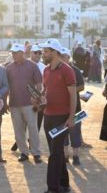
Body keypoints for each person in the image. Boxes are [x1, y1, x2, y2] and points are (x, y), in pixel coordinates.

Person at [36, 39, 76, 193]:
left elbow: (73, 96)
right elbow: (45, 90)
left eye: (46, 51)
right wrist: (39, 98)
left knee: (54, 153)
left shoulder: (67, 70)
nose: (43, 54)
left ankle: (52, 188)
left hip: (62, 118)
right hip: (48, 116)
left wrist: (71, 117)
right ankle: (64, 184)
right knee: (57, 151)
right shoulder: (45, 70)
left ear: (54, 52)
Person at [6, 44, 42, 163]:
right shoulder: (9, 68)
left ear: (22, 53)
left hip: (30, 104)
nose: (13, 55)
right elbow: (6, 86)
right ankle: (24, 152)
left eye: (16, 53)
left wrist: (37, 100)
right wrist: (6, 102)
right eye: (12, 53)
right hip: (14, 103)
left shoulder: (32, 66)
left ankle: (36, 153)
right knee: (18, 130)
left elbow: (39, 85)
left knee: (33, 129)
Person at [61, 47, 84, 166]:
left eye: (64, 56)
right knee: (63, 133)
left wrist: (70, 91)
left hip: (76, 108)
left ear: (68, 57)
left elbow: (82, 86)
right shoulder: (58, 70)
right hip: (62, 108)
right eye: (60, 55)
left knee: (75, 132)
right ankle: (65, 155)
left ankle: (76, 156)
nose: (62, 58)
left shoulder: (75, 70)